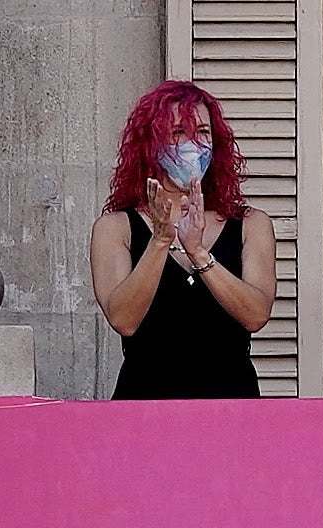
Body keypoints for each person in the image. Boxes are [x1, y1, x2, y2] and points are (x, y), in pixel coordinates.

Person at [91, 81, 277, 399]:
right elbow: (123, 319)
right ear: (151, 145)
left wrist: (199, 253)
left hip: (231, 409)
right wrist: (160, 241)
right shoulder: (115, 228)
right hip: (145, 409)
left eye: (203, 132)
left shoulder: (251, 224)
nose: (193, 144)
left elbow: (256, 314)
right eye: (178, 133)